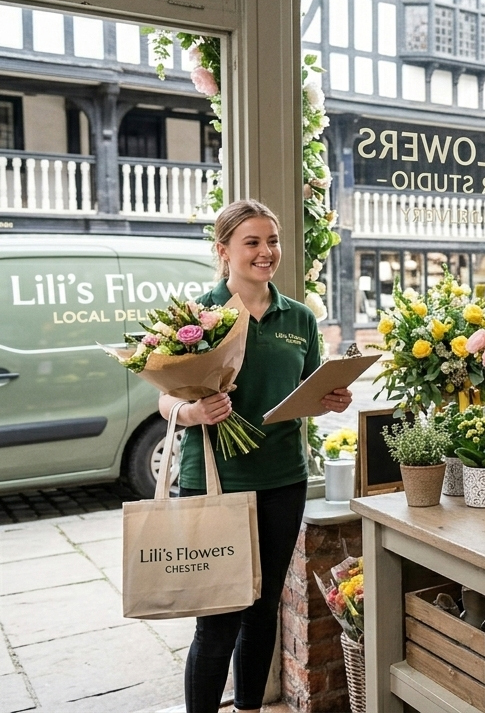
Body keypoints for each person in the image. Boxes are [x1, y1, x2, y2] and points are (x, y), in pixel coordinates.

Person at [159, 200, 352, 713]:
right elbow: (163, 398)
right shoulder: (197, 318)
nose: (266, 252)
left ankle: (249, 708)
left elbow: (310, 387)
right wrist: (193, 412)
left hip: (283, 477)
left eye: (272, 241)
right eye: (252, 242)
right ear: (223, 252)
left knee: (264, 606)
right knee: (218, 614)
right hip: (217, 481)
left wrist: (332, 396)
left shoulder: (300, 318)